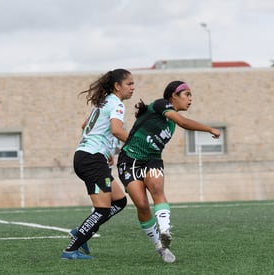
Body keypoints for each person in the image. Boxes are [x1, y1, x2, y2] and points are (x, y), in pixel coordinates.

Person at [116, 80, 220, 263]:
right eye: (187, 95)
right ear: (174, 96)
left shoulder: (170, 124)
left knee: (157, 188)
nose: (190, 99)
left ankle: (165, 231)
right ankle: (159, 247)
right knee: (141, 204)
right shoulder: (160, 104)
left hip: (153, 160)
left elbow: (179, 122)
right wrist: (209, 129)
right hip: (130, 159)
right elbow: (184, 122)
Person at [61, 69, 135, 260]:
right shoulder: (117, 104)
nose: (133, 88)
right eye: (129, 84)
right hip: (92, 159)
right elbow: (117, 130)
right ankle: (71, 250)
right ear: (117, 86)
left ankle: (83, 231)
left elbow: (85, 125)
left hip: (88, 156)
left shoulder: (104, 102)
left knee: (119, 201)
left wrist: (107, 150)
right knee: (102, 209)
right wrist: (138, 143)